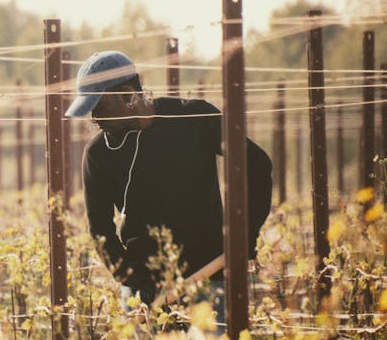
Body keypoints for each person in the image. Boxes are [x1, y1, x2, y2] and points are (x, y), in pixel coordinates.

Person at [64, 50, 273, 313]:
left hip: (210, 281)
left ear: (128, 95)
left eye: (99, 107)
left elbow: (256, 164)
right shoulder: (98, 154)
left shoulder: (193, 118)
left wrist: (246, 231)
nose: (95, 119)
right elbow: (100, 230)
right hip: (145, 295)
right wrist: (135, 281)